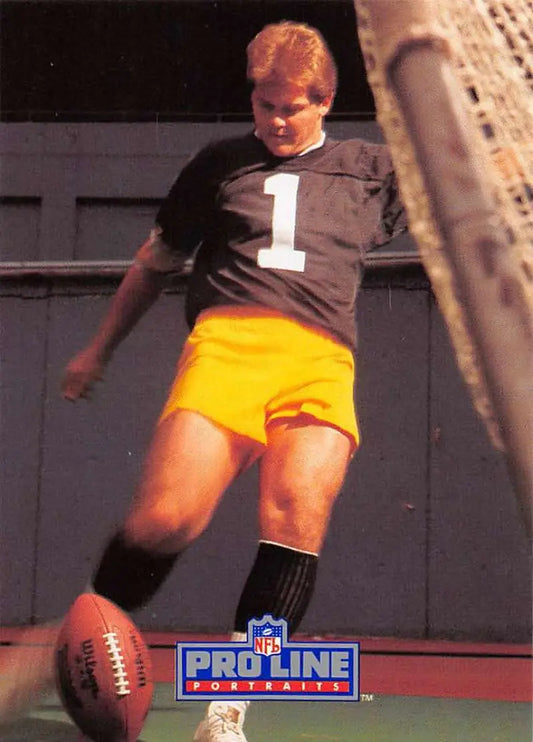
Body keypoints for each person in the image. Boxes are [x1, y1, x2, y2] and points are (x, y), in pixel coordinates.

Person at [0, 21, 405, 742]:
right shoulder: (218, 165)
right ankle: (80, 633)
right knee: (166, 518)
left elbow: (469, 183)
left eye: (294, 106)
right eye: (264, 104)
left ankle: (227, 712)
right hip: (228, 347)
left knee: (295, 526)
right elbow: (154, 263)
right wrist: (98, 350)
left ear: (326, 101)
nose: (278, 120)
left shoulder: (371, 169)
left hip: (321, 362)